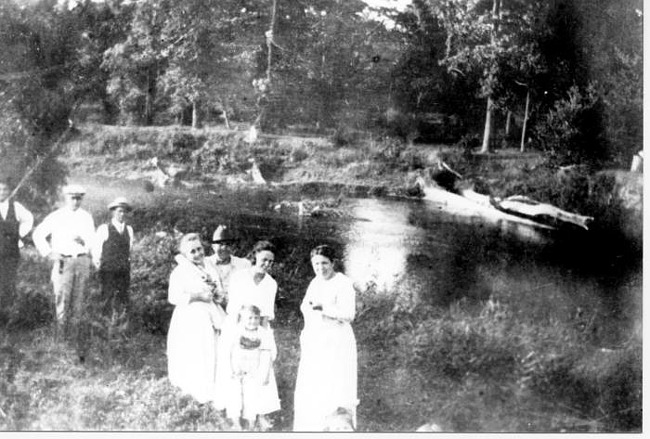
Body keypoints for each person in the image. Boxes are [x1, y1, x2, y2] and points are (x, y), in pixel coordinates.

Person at [216, 240, 280, 429]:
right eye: (264, 260)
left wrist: (262, 338)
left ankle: (260, 412)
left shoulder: (271, 283)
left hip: (258, 327)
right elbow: (234, 309)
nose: (267, 264)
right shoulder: (240, 277)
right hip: (236, 325)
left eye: (271, 262)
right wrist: (238, 338)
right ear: (255, 257)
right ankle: (233, 410)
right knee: (233, 367)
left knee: (261, 368)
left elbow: (266, 315)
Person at [293, 244, 358, 431]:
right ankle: (312, 426)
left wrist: (325, 309)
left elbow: (349, 314)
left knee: (335, 382)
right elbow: (305, 306)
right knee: (315, 381)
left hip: (337, 340)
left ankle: (338, 427)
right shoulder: (315, 282)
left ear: (333, 263)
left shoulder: (343, 282)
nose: (320, 268)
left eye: (324, 263)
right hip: (317, 339)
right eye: (316, 264)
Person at [33, 184, 95, 362]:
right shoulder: (57, 216)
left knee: (78, 301)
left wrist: (84, 241)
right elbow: (38, 234)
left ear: (82, 199)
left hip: (82, 261)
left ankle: (74, 341)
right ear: (65, 198)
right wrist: (49, 253)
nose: (75, 201)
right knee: (62, 299)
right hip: (64, 262)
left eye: (78, 198)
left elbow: (92, 240)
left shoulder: (86, 217)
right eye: (72, 197)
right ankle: (60, 341)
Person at [166, 233, 225, 404]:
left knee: (215, 347)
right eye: (193, 251)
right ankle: (196, 389)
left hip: (213, 311)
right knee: (197, 350)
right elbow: (174, 297)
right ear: (185, 255)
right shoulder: (180, 271)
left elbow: (218, 289)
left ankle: (214, 386)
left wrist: (217, 294)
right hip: (191, 315)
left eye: (199, 249)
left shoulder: (210, 266)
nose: (198, 254)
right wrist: (198, 296)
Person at [221, 304, 276, 431]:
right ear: (241, 318)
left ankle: (251, 422)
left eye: (256, 318)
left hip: (253, 370)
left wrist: (264, 374)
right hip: (237, 368)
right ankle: (236, 423)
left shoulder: (263, 333)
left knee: (252, 395)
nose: (253, 321)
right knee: (234, 394)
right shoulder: (236, 331)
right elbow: (228, 352)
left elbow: (267, 354)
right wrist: (231, 369)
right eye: (249, 318)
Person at [91, 197, 134, 318]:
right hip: (108, 269)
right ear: (113, 212)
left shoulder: (129, 230)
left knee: (123, 297)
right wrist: (99, 267)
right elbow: (96, 250)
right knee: (107, 297)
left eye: (125, 211)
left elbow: (129, 250)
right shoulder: (104, 229)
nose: (122, 214)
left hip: (123, 270)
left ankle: (121, 325)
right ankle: (106, 324)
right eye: (119, 211)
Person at [0, 177, 34, 325]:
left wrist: (19, 234)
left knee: (8, 284)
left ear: (9, 191)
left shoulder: (16, 207)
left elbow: (29, 219)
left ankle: (6, 318)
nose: (2, 192)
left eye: (5, 189)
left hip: (10, 253)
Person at [204, 225, 251, 310]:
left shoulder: (244, 264)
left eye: (228, 244)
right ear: (213, 246)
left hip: (237, 309)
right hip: (213, 309)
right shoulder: (205, 263)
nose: (224, 248)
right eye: (220, 244)